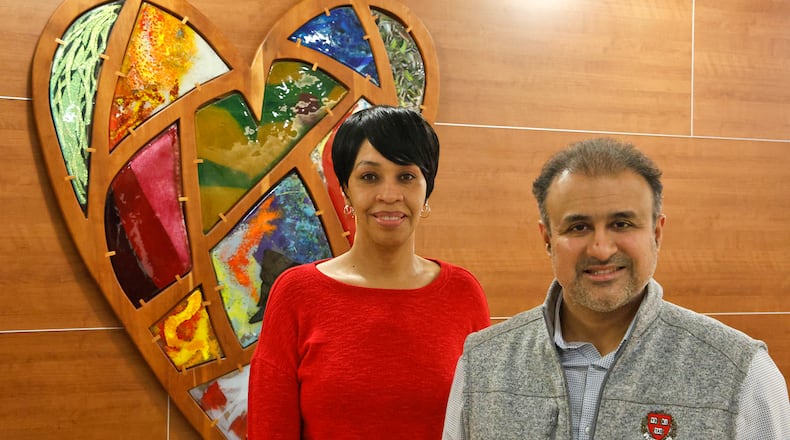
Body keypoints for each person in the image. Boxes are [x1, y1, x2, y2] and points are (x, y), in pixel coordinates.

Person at [442, 137, 790, 439]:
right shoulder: (482, 365)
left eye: (621, 224)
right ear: (547, 238)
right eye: (578, 227)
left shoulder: (742, 373)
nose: (601, 249)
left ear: (656, 232)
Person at [247, 105, 490, 439]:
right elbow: (269, 430)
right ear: (346, 189)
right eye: (369, 177)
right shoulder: (297, 293)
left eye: (406, 176)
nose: (389, 195)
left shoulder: (463, 293)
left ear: (426, 188)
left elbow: (483, 424)